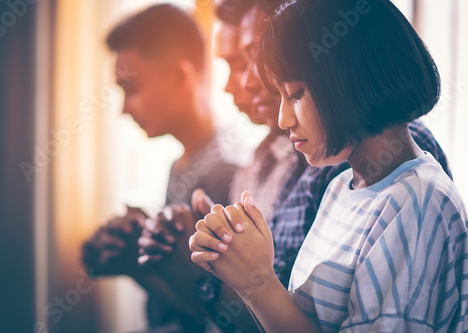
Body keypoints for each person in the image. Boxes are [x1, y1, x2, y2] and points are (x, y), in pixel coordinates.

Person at [190, 0, 468, 332]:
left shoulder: (419, 202)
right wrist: (239, 265)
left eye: (294, 94)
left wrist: (259, 282)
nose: (283, 119)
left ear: (350, 78)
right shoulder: (341, 187)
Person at [80, 4, 238, 331]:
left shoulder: (226, 172)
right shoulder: (180, 164)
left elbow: (220, 315)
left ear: (181, 76)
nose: (124, 109)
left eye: (131, 88)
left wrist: (136, 265)